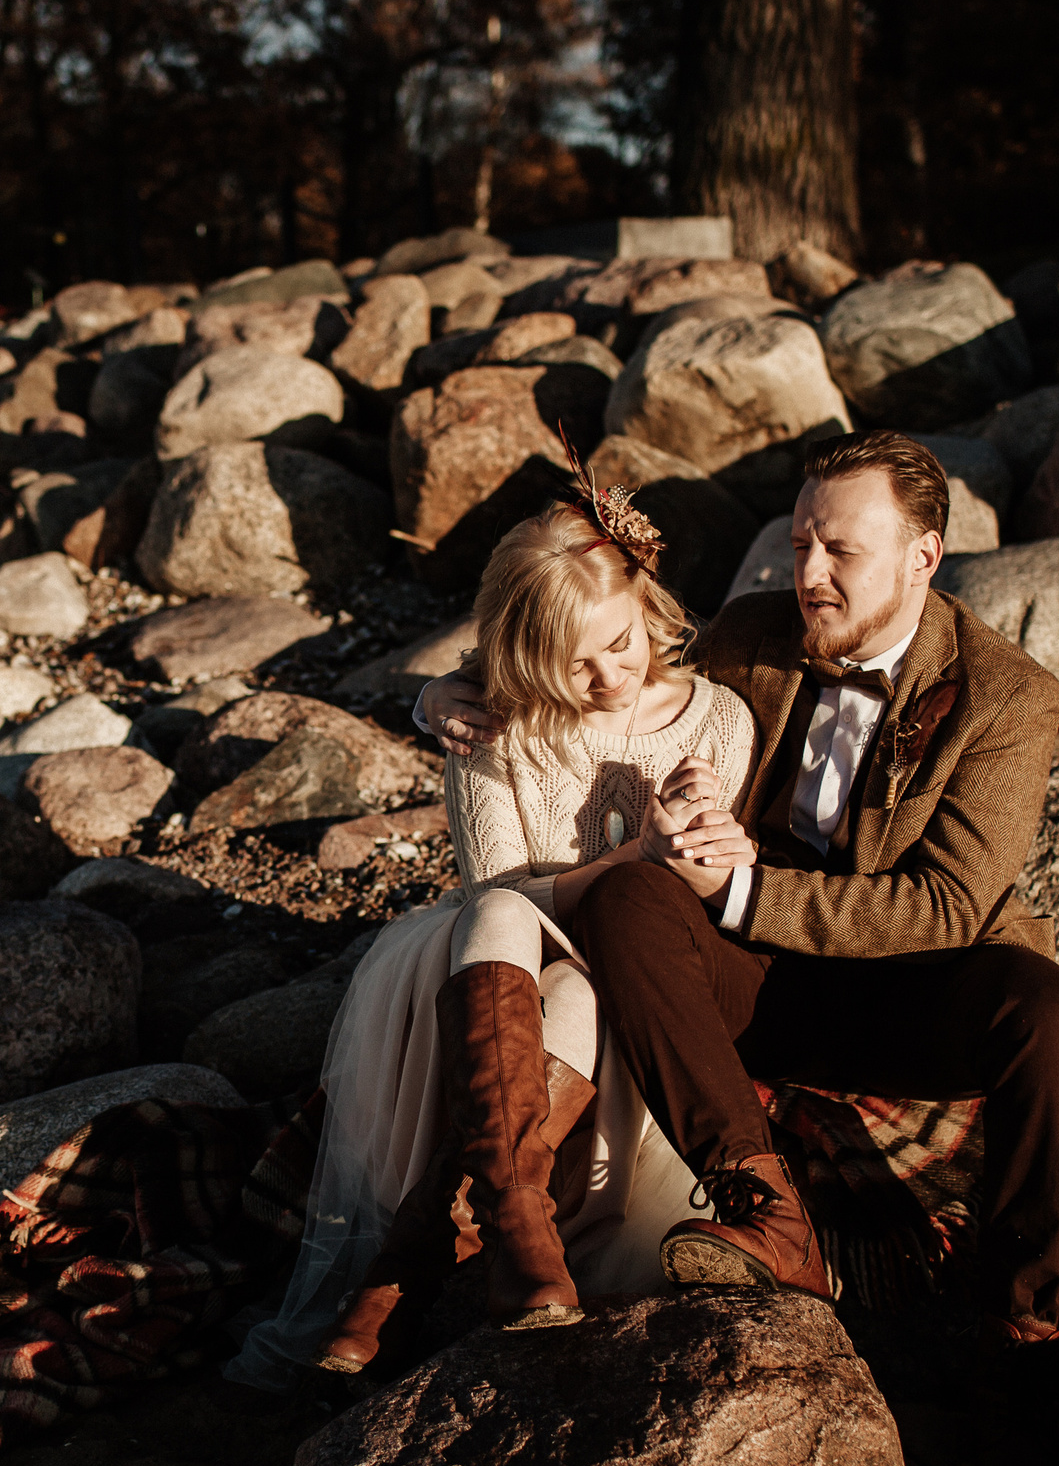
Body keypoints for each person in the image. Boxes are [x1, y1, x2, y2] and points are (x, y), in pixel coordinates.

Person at [415, 430, 1059, 1344]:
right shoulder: (751, 633)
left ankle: (1030, 1315)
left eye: (842, 551)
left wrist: (738, 891)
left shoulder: (1008, 698)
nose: (810, 573)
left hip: (905, 986)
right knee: (627, 898)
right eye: (800, 543)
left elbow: (948, 906)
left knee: (1048, 1007)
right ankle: (766, 1208)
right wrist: (439, 695)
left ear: (923, 555)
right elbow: (589, 639)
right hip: (746, 983)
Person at [225, 481, 760, 1388]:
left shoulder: (719, 720)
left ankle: (423, 1241)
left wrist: (701, 847)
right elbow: (494, 889)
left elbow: (699, 899)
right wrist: (635, 850)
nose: (607, 677)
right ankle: (514, 1218)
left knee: (587, 989)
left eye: (621, 642)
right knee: (510, 917)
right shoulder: (495, 723)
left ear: (648, 605)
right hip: (497, 950)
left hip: (637, 970)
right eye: (574, 663)